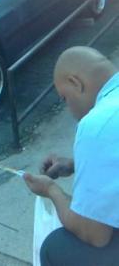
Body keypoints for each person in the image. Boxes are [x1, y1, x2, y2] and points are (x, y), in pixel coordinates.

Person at [23, 46, 119, 266]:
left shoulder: (97, 123)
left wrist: (51, 190)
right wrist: (76, 164)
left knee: (57, 247)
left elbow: (94, 235)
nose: (68, 109)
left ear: (76, 83)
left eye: (64, 98)